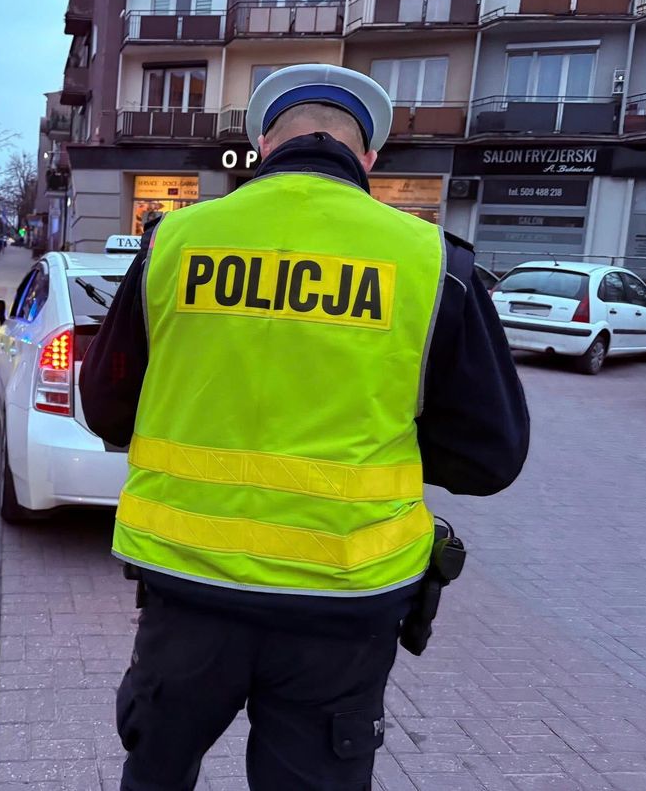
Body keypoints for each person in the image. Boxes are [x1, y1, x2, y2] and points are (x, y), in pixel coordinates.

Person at [79, 64, 530, 791]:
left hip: (188, 589)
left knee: (156, 776)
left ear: (263, 143)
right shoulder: (430, 263)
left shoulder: (174, 241)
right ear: (369, 156)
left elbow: (105, 405)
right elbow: (493, 455)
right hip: (344, 601)